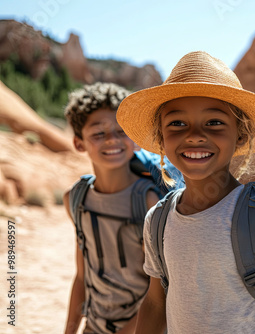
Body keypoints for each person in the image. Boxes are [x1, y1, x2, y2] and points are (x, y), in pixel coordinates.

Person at [116, 51, 255, 334]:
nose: (195, 135)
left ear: (240, 134)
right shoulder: (158, 221)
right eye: (177, 123)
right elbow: (154, 302)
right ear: (160, 137)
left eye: (214, 122)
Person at [63, 82, 161, 334]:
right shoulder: (76, 198)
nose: (112, 140)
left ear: (135, 139)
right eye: (98, 133)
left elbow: (161, 291)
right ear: (79, 143)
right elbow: (82, 276)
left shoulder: (149, 202)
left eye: (121, 131)